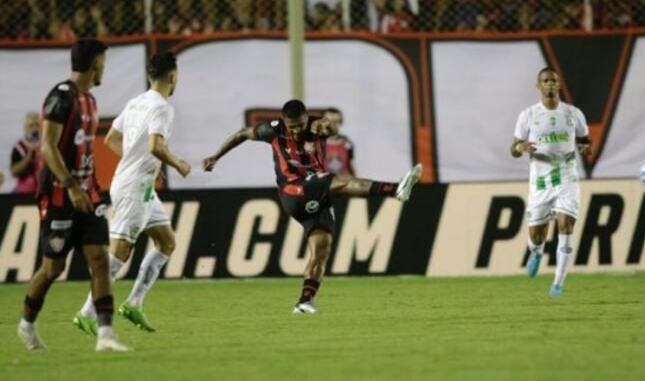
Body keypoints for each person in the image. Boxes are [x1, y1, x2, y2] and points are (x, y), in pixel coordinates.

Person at [202, 99, 422, 314]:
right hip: (293, 191)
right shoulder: (273, 130)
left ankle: (304, 302)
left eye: (299, 125)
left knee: (321, 250)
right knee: (341, 180)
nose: (296, 131)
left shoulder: (317, 126)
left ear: (306, 118)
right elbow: (242, 133)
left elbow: (333, 129)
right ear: (284, 121)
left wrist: (329, 124)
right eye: (292, 127)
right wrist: (216, 156)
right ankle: (395, 190)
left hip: (315, 196)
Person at [17, 38, 129, 352]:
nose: (104, 68)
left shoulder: (90, 101)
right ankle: (27, 325)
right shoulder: (61, 97)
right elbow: (48, 147)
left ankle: (105, 335)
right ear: (95, 63)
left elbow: (85, 152)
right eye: (103, 62)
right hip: (59, 196)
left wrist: (93, 190)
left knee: (100, 261)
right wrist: (70, 186)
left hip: (87, 196)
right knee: (53, 268)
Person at [73, 52, 190, 335]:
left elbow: (112, 138)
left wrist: (138, 161)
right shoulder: (163, 107)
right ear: (173, 76)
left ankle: (134, 303)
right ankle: (86, 312)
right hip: (134, 187)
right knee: (120, 253)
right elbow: (155, 146)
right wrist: (178, 163)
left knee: (166, 242)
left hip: (141, 185)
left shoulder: (136, 102)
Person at [510, 67, 592, 298]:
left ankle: (558, 283)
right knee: (537, 235)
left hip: (567, 176)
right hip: (541, 181)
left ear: (559, 84)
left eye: (553, 80)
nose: (550, 84)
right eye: (545, 81)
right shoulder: (528, 115)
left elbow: (586, 140)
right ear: (538, 85)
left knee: (566, 227)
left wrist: (586, 147)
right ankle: (536, 251)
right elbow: (513, 148)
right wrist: (520, 147)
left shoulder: (573, 114)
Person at [10, 112, 41, 194]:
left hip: (43, 190)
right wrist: (29, 155)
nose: (35, 129)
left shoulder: (48, 145)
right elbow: (14, 172)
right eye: (31, 126)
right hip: (24, 190)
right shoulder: (19, 147)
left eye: (37, 125)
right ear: (26, 128)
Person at [322, 107, 356, 175]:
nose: (332, 125)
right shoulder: (318, 142)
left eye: (335, 122)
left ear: (340, 123)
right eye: (329, 122)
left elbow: (352, 166)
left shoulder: (347, 143)